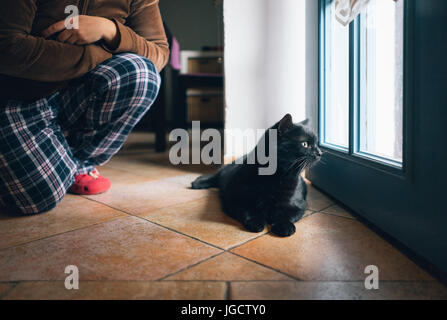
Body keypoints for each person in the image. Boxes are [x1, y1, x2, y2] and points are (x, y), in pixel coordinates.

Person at [0, 0, 170, 214]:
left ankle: (77, 162)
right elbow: (7, 47)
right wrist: (96, 54)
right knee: (38, 198)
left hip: (79, 93)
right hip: (20, 96)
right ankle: (56, 161)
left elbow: (159, 54)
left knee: (141, 73)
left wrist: (110, 30)